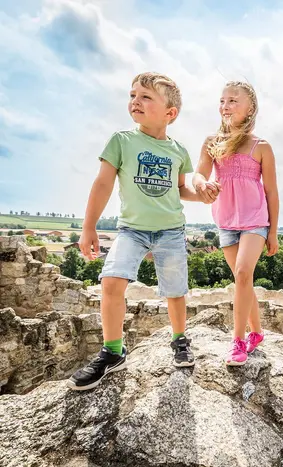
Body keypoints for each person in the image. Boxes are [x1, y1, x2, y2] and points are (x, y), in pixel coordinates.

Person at [68, 72, 210, 391]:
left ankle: (179, 339)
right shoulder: (122, 141)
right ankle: (113, 352)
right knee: (111, 281)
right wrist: (88, 226)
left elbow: (179, 190)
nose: (135, 101)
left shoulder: (178, 150)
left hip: (171, 230)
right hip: (131, 230)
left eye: (146, 97)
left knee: (175, 290)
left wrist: (201, 194)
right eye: (132, 95)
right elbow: (103, 183)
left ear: (170, 113)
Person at [193, 80, 279, 366]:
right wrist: (202, 183)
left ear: (250, 107)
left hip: (255, 220)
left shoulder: (261, 146)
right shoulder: (212, 142)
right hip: (225, 220)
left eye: (232, 100)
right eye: (222, 101)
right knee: (243, 281)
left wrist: (274, 233)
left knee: (243, 274)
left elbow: (271, 192)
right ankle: (256, 332)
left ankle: (238, 341)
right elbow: (199, 174)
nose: (225, 106)